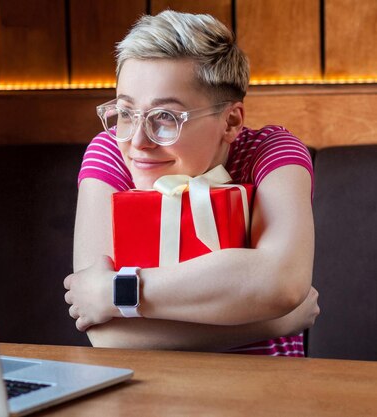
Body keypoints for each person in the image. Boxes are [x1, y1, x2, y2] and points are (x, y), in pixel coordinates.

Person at [63, 9, 320, 356]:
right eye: (125, 113)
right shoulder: (111, 150)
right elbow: (109, 336)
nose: (138, 141)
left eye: (165, 118)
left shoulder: (270, 151)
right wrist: (273, 321)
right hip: (144, 394)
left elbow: (282, 282)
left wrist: (117, 291)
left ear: (230, 121)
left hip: (265, 392)